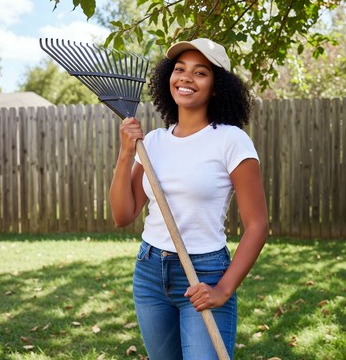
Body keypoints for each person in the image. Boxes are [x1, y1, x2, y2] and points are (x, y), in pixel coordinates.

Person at [109, 38, 269, 360]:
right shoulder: (152, 142)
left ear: (216, 87)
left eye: (200, 73)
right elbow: (122, 215)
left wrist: (223, 289)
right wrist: (126, 154)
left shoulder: (230, 141)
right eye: (179, 69)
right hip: (150, 272)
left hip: (205, 271)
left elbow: (258, 226)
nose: (185, 78)